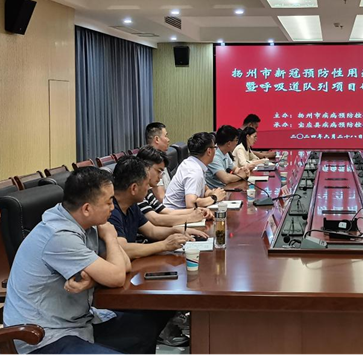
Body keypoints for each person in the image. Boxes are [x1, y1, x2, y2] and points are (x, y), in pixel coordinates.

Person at [3, 167, 171, 355]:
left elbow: (124, 265)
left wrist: (94, 277)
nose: (113, 208)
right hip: (42, 336)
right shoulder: (59, 235)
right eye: (109, 202)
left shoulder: (86, 223)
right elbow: (116, 276)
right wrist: (110, 237)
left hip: (78, 322)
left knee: (145, 327)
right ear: (87, 208)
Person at [109, 156, 207, 259]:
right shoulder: (111, 211)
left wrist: (177, 231)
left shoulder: (131, 205)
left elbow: (152, 231)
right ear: (134, 188)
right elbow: (123, 249)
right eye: (147, 184)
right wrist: (164, 245)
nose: (149, 188)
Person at [136, 145, 214, 227]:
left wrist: (197, 210)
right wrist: (191, 217)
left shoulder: (147, 190)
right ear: (145, 168)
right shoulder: (137, 191)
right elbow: (156, 219)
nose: (160, 177)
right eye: (158, 171)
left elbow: (167, 211)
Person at [164, 132, 227, 210]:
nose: (216, 150)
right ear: (209, 151)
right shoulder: (194, 171)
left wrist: (212, 193)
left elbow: (205, 190)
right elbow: (191, 204)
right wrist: (214, 197)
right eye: (215, 147)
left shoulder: (192, 162)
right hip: (175, 215)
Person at [145, 122, 172, 201]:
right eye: (166, 136)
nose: (168, 139)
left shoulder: (161, 158)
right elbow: (161, 198)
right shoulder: (151, 161)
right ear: (157, 139)